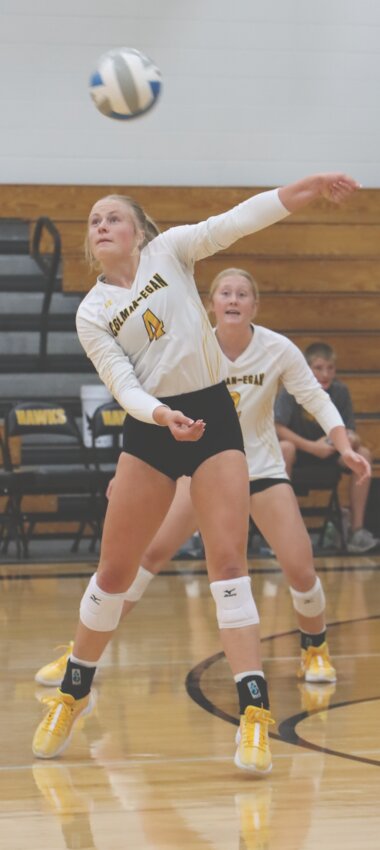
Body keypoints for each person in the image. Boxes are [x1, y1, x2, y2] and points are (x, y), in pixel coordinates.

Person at [32, 174, 361, 774]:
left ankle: (253, 713)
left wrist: (306, 190)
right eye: (93, 222)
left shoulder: (172, 251)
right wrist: (159, 415)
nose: (101, 226)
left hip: (212, 417)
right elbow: (121, 382)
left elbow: (241, 218)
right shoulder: (92, 311)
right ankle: (73, 691)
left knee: (228, 566)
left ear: (138, 230)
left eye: (112, 217)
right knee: (114, 568)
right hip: (154, 426)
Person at [275, 342, 379, 554]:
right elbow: (277, 427)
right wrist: (312, 447)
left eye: (330, 368)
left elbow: (349, 431)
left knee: (364, 453)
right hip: (300, 451)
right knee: (285, 448)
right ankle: (283, 531)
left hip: (330, 452)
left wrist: (351, 440)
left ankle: (356, 530)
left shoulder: (340, 391)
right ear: (307, 368)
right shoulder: (290, 390)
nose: (325, 374)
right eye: (319, 368)